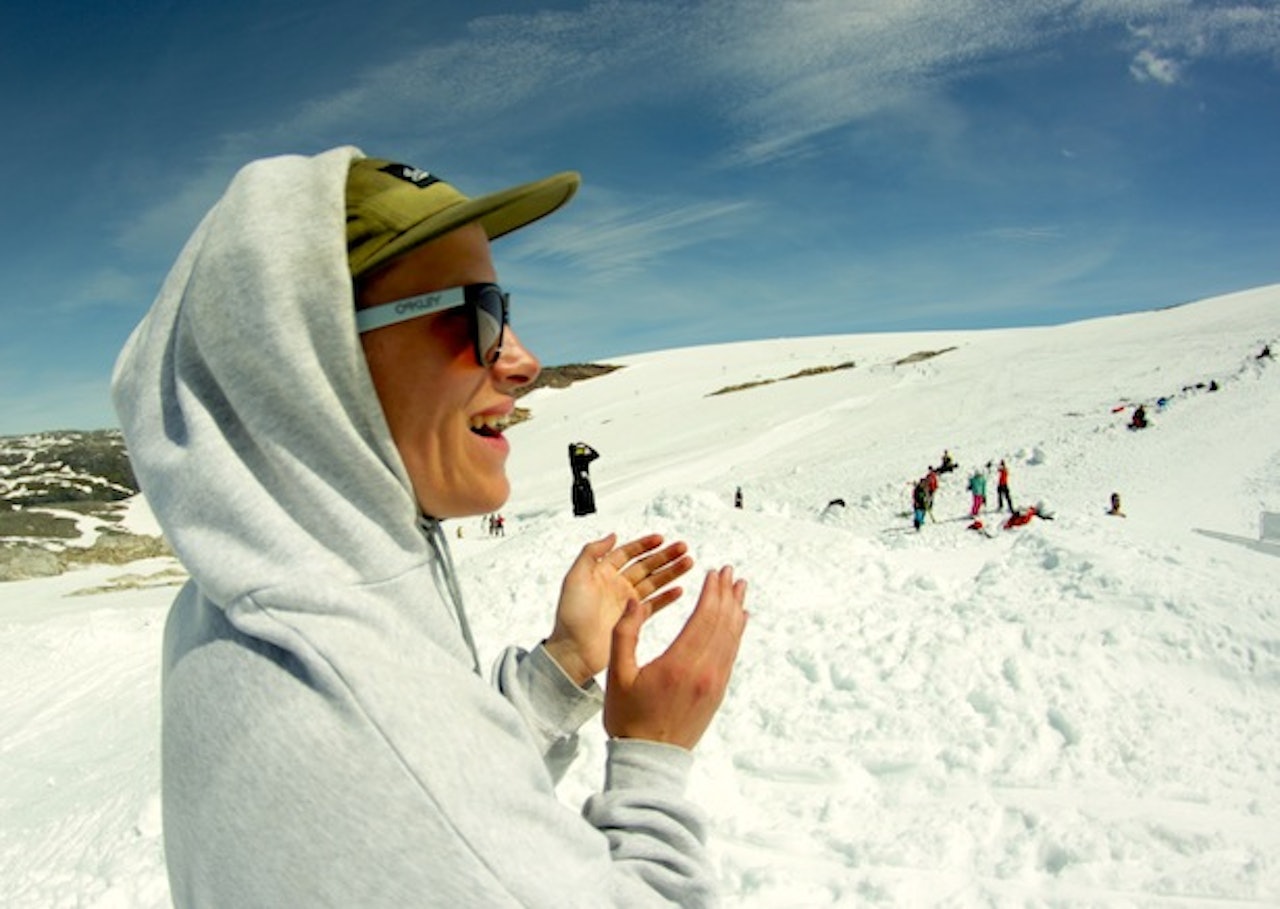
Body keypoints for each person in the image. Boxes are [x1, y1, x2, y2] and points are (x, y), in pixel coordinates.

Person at [111, 147, 749, 907]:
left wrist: (565, 662)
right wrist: (652, 755)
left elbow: (442, 803)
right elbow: (411, 784)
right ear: (315, 359)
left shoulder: (244, 597)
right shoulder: (344, 701)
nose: (523, 360)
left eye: (503, 310)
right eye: (475, 314)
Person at [569, 441, 600, 516]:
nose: (580, 452)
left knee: (586, 497)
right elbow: (570, 450)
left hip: (584, 481)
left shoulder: (584, 459)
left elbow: (596, 455)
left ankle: (587, 511)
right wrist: (586, 446)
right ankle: (583, 512)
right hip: (579, 481)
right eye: (578, 450)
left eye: (581, 450)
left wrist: (586, 446)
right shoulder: (575, 459)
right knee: (581, 498)